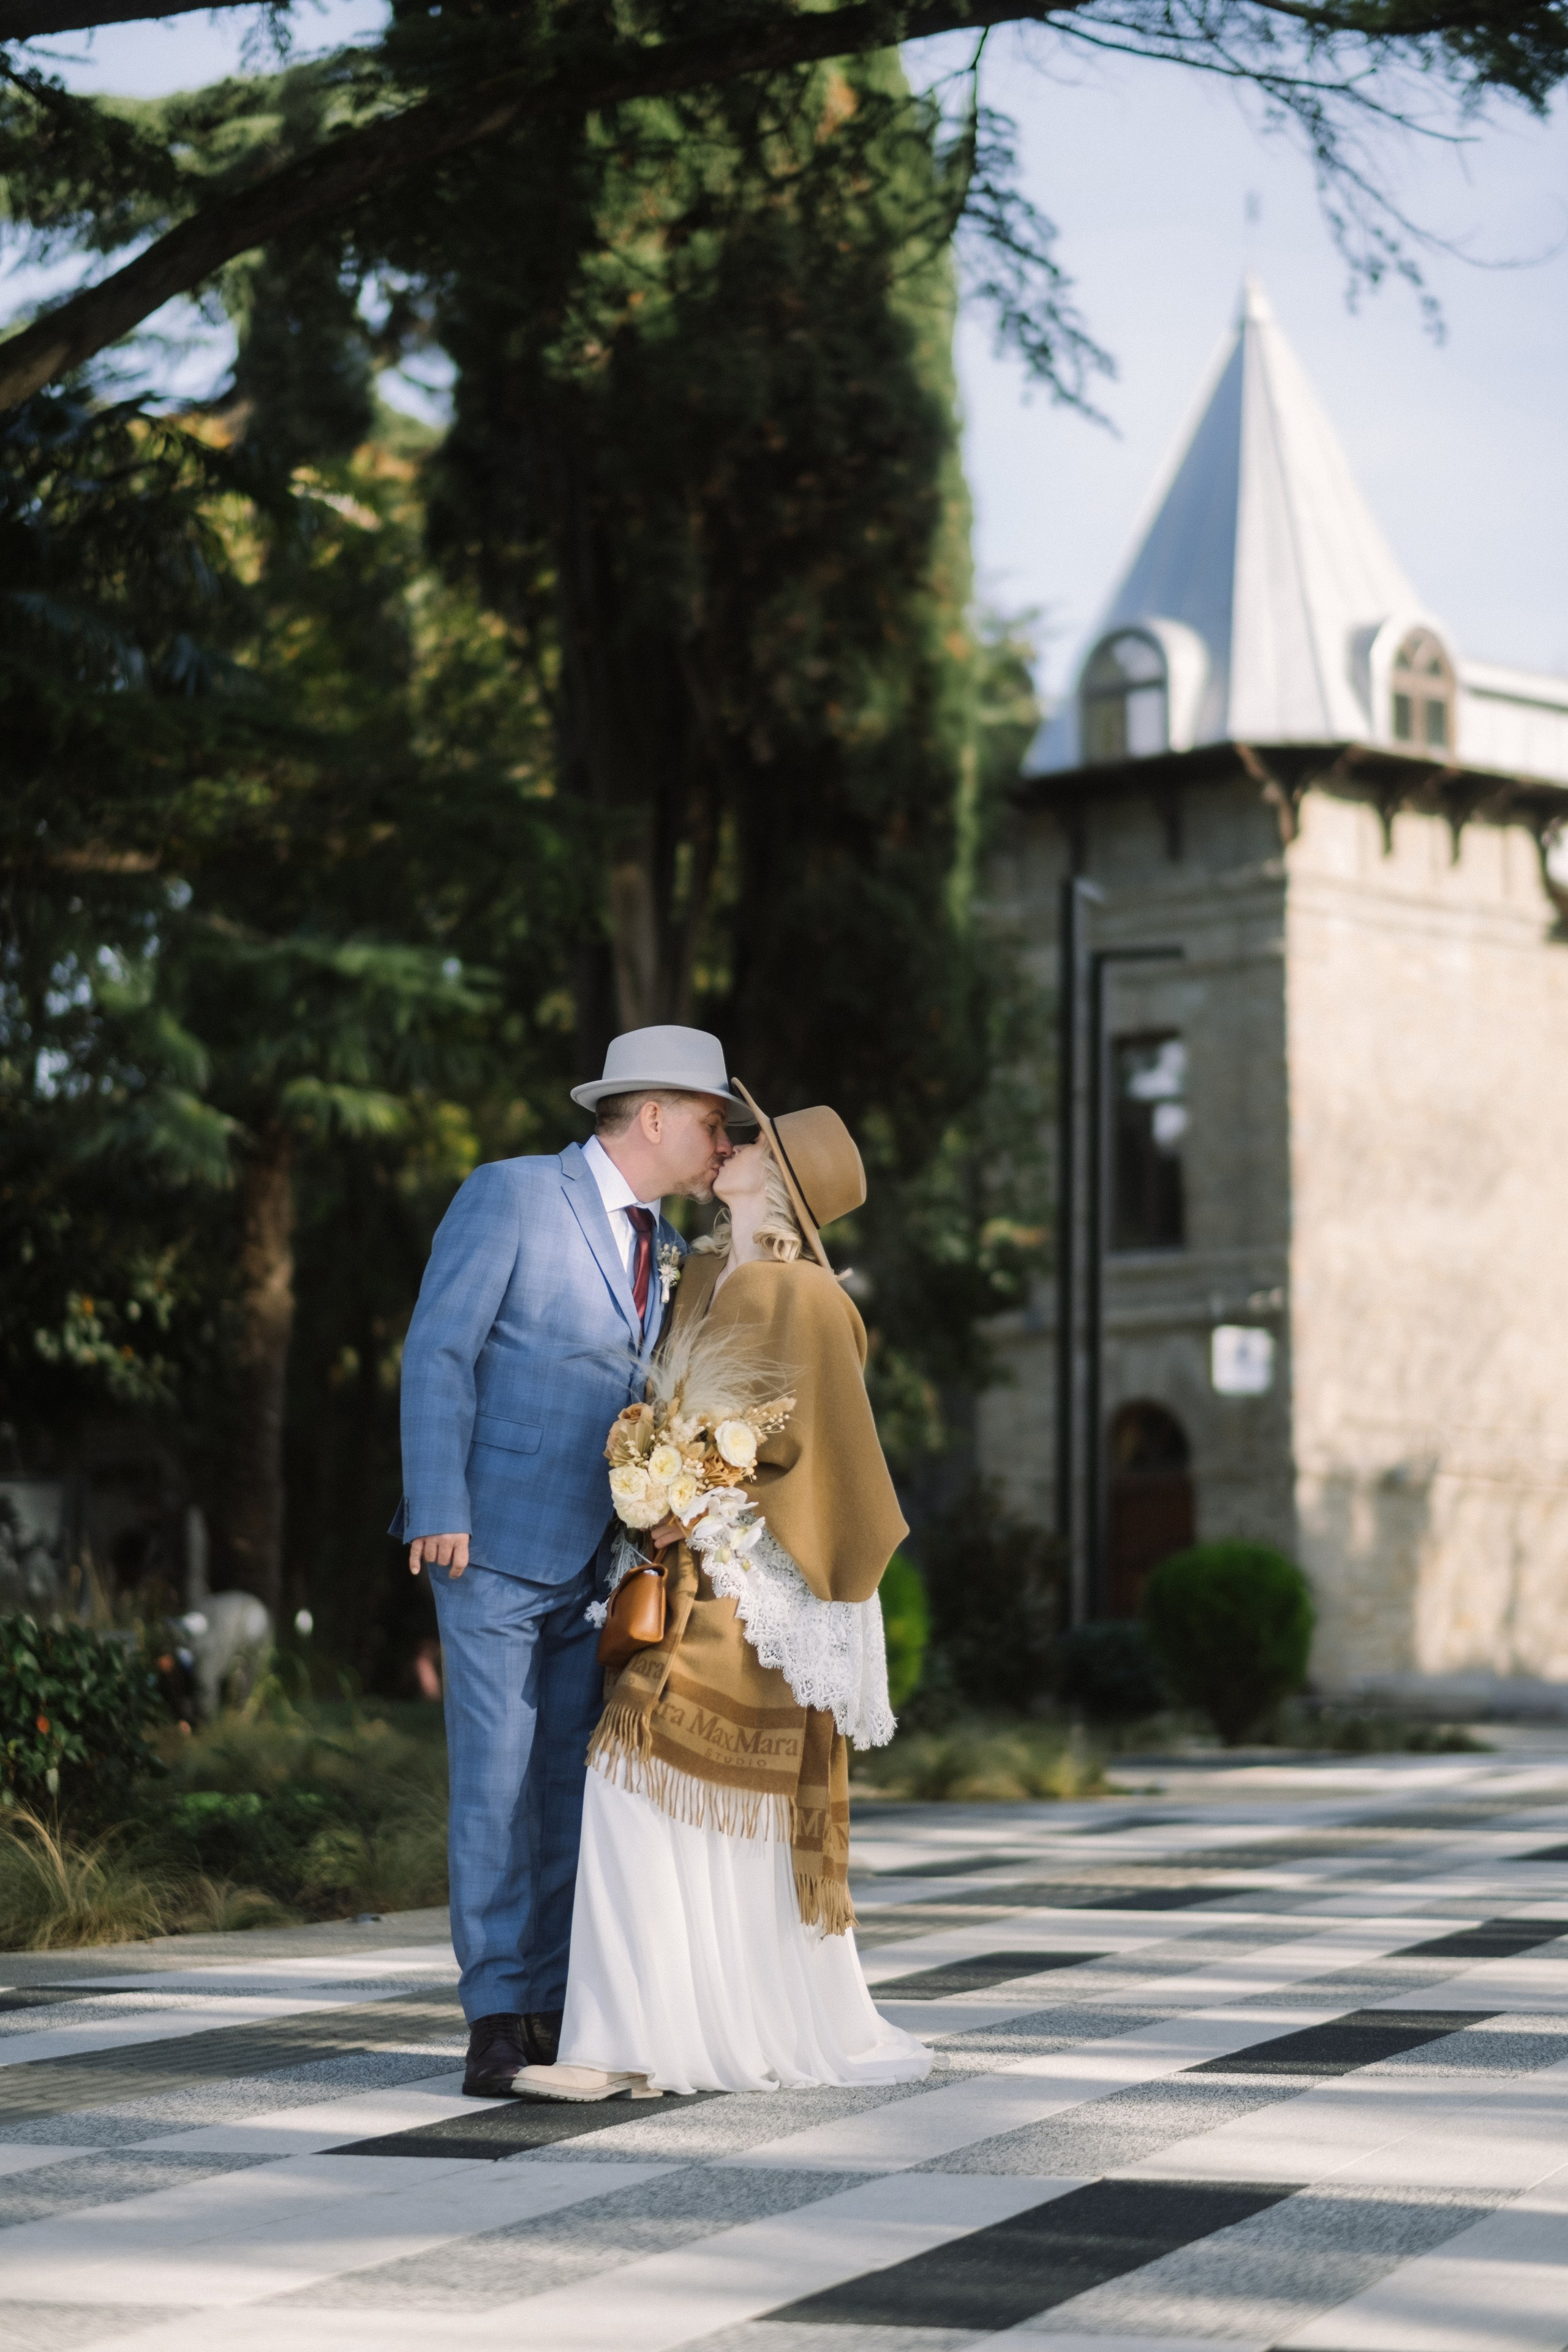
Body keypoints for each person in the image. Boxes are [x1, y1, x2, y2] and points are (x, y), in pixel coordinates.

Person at [515, 1085, 932, 2100]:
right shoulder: (702, 1274)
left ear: (779, 1183)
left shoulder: (800, 1296)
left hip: (749, 1600)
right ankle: (648, 2038)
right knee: (669, 1800)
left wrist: (680, 1489)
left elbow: (795, 1449)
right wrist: (655, 1473)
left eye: (744, 1138)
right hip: (690, 1574)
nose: (726, 1142)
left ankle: (627, 2047)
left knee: (640, 1785)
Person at [393, 1025, 748, 2098]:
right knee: (497, 1787)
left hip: (598, 1563)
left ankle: (548, 2005)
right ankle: (495, 2019)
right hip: (492, 1543)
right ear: (652, 1115)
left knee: (563, 1791)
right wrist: (437, 1501)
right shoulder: (509, 1194)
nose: (721, 1143)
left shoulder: (665, 1245)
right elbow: (439, 1347)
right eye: (710, 1122)